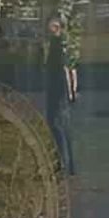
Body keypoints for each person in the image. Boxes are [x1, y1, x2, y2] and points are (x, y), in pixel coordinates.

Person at [43, 14, 77, 176]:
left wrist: (69, 91)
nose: (52, 30)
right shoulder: (64, 44)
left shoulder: (57, 44)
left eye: (55, 27)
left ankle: (61, 164)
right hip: (59, 89)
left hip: (58, 89)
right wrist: (72, 91)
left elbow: (66, 69)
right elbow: (72, 69)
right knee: (64, 126)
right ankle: (70, 166)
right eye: (51, 26)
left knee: (55, 125)